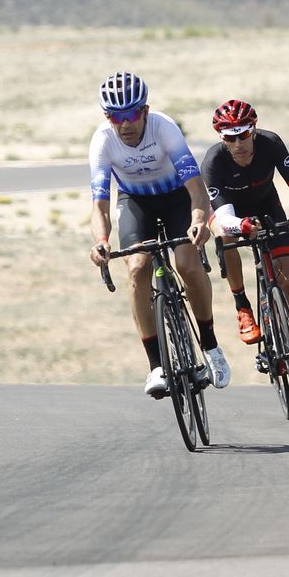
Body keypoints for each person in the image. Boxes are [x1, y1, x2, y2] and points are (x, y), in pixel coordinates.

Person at [87, 71, 231, 398]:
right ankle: (155, 365)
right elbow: (100, 205)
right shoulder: (103, 141)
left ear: (145, 111)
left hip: (177, 198)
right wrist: (102, 242)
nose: (125, 124)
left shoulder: (164, 128)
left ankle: (210, 346)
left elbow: (196, 188)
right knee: (137, 268)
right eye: (115, 117)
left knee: (187, 265)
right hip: (136, 202)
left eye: (131, 114)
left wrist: (198, 220)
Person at [201, 99, 289, 401]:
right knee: (225, 236)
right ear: (221, 138)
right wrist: (241, 226)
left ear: (254, 130)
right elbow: (224, 217)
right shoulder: (213, 161)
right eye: (230, 138)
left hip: (268, 207)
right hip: (229, 214)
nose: (238, 144)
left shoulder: (271, 143)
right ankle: (242, 305)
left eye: (243, 135)